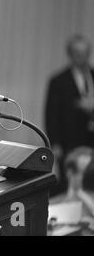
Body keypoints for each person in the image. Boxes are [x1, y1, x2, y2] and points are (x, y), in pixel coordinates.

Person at [45, 34, 94, 192]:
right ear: (70, 54)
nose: (82, 57)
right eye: (77, 53)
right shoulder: (58, 80)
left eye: (85, 53)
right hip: (69, 142)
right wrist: (55, 143)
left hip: (91, 140)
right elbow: (51, 115)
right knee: (70, 184)